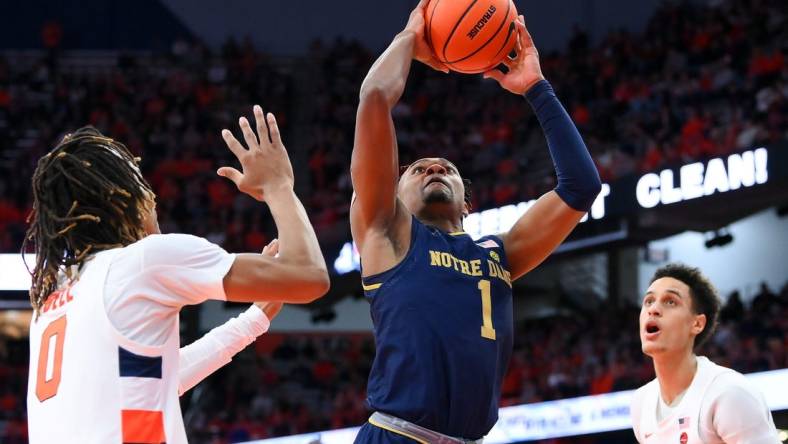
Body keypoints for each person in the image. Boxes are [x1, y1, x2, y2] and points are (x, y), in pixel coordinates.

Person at [350, 1, 601, 442]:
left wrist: (536, 88)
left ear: (467, 202)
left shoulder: (499, 254)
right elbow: (374, 99)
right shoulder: (385, 232)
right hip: (397, 435)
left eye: (445, 168)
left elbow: (580, 187)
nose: (433, 170)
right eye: (418, 169)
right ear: (394, 195)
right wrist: (409, 37)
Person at [25, 105, 329, 444]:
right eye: (140, 183)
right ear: (122, 198)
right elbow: (309, 276)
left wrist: (254, 319)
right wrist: (278, 186)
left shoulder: (55, 297)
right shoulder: (142, 261)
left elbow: (157, 379)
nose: (153, 199)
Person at [631, 263, 779, 444]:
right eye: (649, 301)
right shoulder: (641, 403)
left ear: (697, 324)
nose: (653, 309)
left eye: (671, 301)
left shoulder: (728, 393)